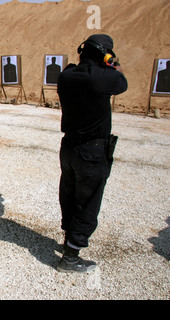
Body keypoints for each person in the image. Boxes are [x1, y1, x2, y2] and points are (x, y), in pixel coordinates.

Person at [57, 34, 128, 273]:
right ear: (104, 55)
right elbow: (122, 81)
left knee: (69, 194)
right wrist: (111, 63)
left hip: (68, 148)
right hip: (92, 150)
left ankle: (68, 237)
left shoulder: (66, 75)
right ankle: (70, 257)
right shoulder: (105, 77)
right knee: (88, 202)